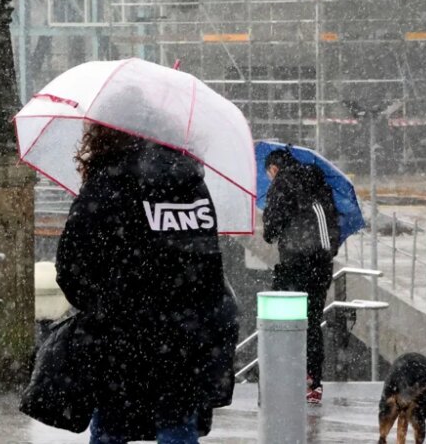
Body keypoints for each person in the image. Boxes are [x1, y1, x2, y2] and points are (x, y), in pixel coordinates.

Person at [55, 123, 238, 444]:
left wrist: (102, 305)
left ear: (104, 134)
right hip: (185, 342)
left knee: (111, 427)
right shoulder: (192, 185)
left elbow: (71, 266)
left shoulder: (107, 183)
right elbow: (209, 267)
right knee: (178, 426)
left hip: (120, 341)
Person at [263, 148, 340, 404]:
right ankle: (313, 381)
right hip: (321, 263)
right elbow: (333, 227)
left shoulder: (282, 183)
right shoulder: (319, 182)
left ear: (274, 168)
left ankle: (284, 377)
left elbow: (271, 229)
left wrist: (273, 229)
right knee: (313, 319)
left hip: (295, 263)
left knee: (283, 320)